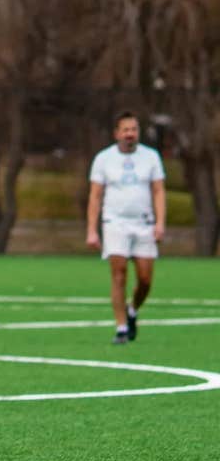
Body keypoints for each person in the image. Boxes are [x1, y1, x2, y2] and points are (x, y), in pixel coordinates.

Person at [86, 111, 166, 345]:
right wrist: (92, 230)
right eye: (126, 130)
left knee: (145, 279)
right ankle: (121, 327)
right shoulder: (103, 159)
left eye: (134, 130)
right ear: (117, 133)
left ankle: (132, 310)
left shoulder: (151, 157)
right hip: (115, 223)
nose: (130, 134)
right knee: (119, 273)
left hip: (144, 223)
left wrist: (160, 223)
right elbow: (95, 195)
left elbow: (158, 191)